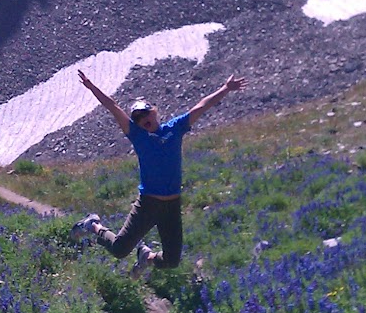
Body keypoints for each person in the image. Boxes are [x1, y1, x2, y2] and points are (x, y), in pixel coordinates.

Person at [73, 69, 245, 272]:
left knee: (171, 261)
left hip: (172, 205)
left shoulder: (175, 128)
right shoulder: (137, 135)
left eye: (145, 113)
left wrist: (225, 88)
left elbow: (201, 106)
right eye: (137, 118)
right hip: (148, 204)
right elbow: (112, 106)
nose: (142, 119)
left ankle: (147, 257)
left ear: (154, 112)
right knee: (120, 249)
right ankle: (93, 225)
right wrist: (91, 87)